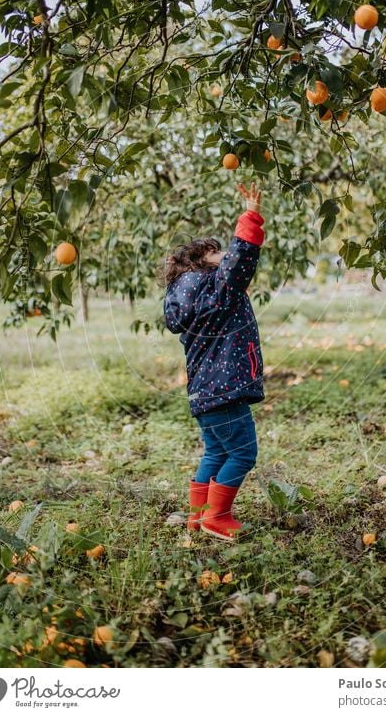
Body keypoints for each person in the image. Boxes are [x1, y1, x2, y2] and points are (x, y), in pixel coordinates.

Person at [160, 182, 265, 541]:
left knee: (217, 450)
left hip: (204, 393)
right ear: (200, 262)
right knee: (243, 452)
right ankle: (216, 517)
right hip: (226, 389)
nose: (222, 254)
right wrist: (250, 217)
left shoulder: (188, 295)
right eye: (215, 251)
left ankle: (197, 516)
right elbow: (240, 261)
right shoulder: (214, 288)